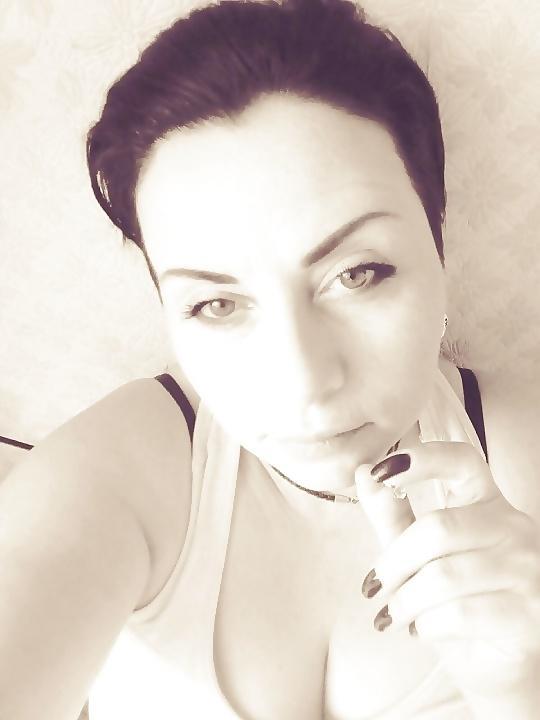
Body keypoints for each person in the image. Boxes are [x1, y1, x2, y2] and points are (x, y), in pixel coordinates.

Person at [2, 1, 538, 718]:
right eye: (217, 304)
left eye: (358, 273)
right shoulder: (115, 476)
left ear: (437, 248)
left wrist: (521, 690)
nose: (305, 383)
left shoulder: (524, 458)